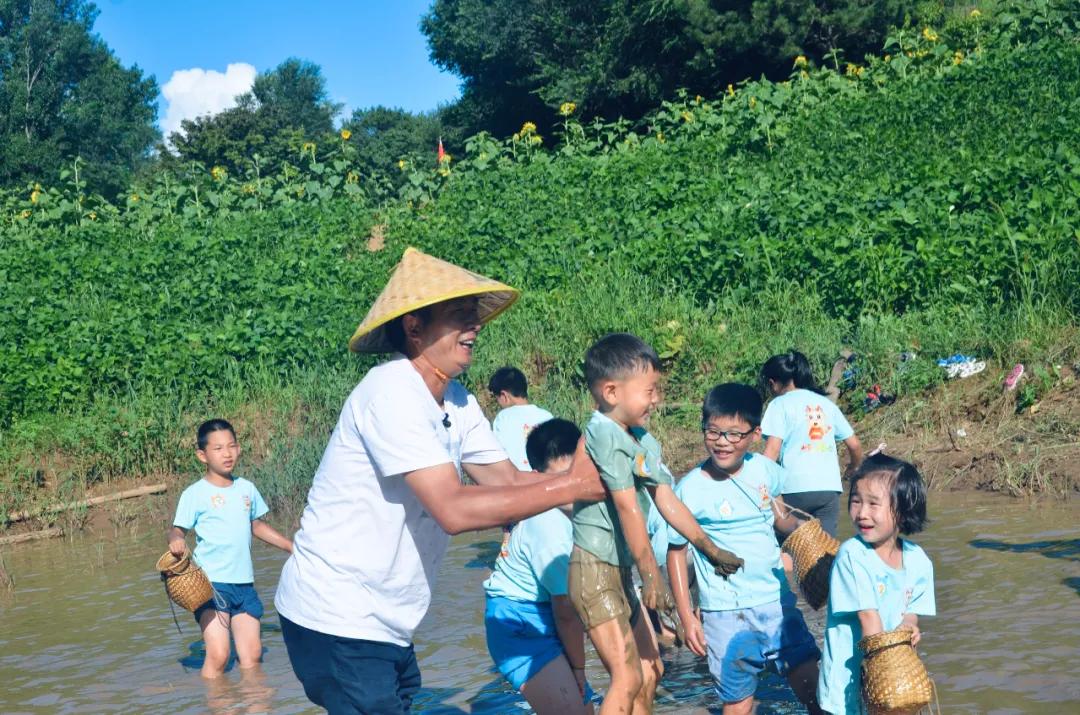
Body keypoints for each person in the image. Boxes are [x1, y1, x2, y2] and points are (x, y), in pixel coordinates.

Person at [273, 247, 603, 714]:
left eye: (474, 316)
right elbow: (451, 509)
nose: (475, 327)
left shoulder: (458, 400)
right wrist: (572, 486)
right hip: (335, 617)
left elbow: (505, 481)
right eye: (459, 316)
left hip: (388, 624)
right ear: (414, 327)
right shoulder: (390, 392)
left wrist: (586, 480)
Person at [569, 332, 744, 715]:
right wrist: (652, 574)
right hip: (594, 571)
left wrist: (709, 548)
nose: (657, 399)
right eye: (649, 391)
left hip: (619, 571)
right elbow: (628, 507)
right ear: (612, 392)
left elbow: (666, 498)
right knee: (628, 677)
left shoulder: (642, 439)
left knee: (651, 670)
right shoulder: (602, 433)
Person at [667, 384, 822, 715]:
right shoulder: (690, 487)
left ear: (755, 434)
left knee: (810, 683)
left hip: (776, 602)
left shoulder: (765, 471)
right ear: (704, 428)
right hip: (724, 613)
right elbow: (676, 552)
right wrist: (686, 616)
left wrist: (806, 532)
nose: (723, 442)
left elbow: (780, 519)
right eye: (714, 432)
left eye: (735, 434)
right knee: (737, 700)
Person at [167, 419, 294, 679]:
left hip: (244, 584)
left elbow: (256, 525)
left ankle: (254, 703)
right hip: (210, 585)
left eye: (231, 446)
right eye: (218, 448)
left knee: (252, 656)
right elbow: (178, 529)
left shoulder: (246, 488)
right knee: (219, 654)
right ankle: (217, 703)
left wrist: (291, 546)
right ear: (202, 455)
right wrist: (176, 540)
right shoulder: (195, 493)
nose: (227, 453)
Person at [483, 419, 594, 714]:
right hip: (520, 624)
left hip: (540, 613)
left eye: (578, 476)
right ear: (536, 478)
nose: (571, 488)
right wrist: (580, 669)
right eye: (561, 480)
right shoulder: (549, 527)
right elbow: (566, 613)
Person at [817, 454, 936, 715]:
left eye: (874, 504)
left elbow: (910, 613)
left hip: (889, 679)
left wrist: (909, 628)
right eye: (856, 501)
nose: (862, 513)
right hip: (846, 684)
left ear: (903, 512)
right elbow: (869, 620)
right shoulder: (852, 555)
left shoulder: (918, 561)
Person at [760, 350, 863, 538]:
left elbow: (771, 453)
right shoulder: (826, 404)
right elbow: (855, 445)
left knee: (792, 547)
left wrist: (758, 485)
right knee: (825, 549)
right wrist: (853, 468)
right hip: (829, 489)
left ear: (772, 383)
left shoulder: (779, 404)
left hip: (793, 488)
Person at [488, 366, 554, 471]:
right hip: (546, 479)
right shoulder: (547, 416)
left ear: (504, 395)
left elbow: (497, 455)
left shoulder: (503, 418)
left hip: (518, 481)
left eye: (497, 399)